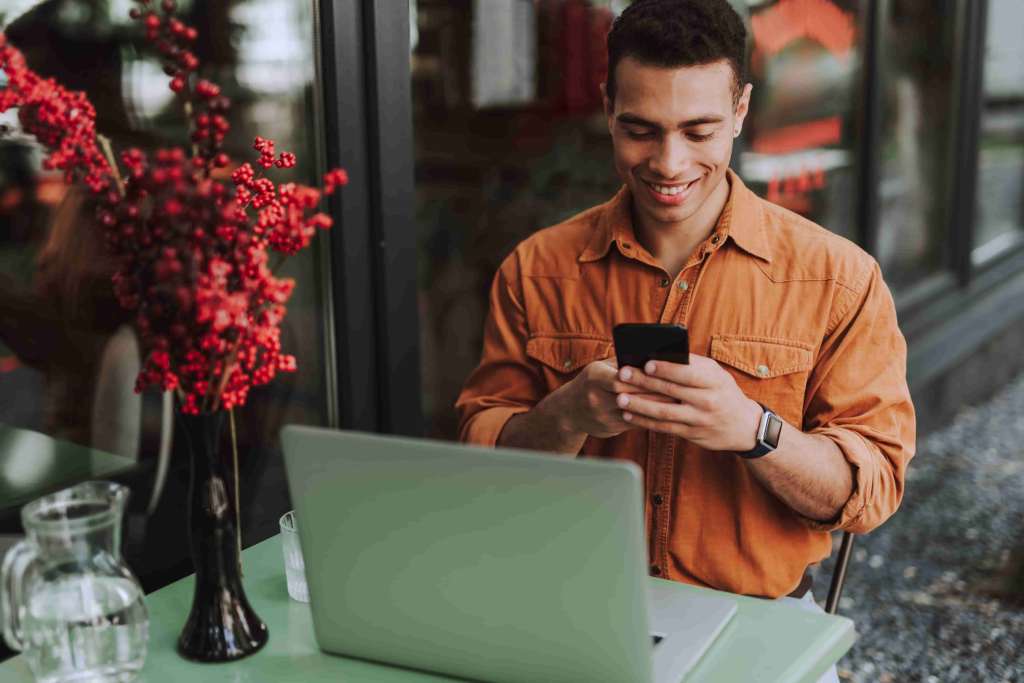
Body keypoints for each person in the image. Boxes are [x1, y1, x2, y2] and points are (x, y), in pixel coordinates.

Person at [456, 2, 914, 676]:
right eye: (640, 130)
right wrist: (566, 415)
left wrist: (753, 429)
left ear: (740, 110)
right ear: (608, 106)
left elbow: (868, 490)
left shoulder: (839, 279)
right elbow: (477, 468)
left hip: (760, 620)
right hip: (569, 612)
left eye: (698, 130)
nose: (668, 164)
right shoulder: (536, 269)